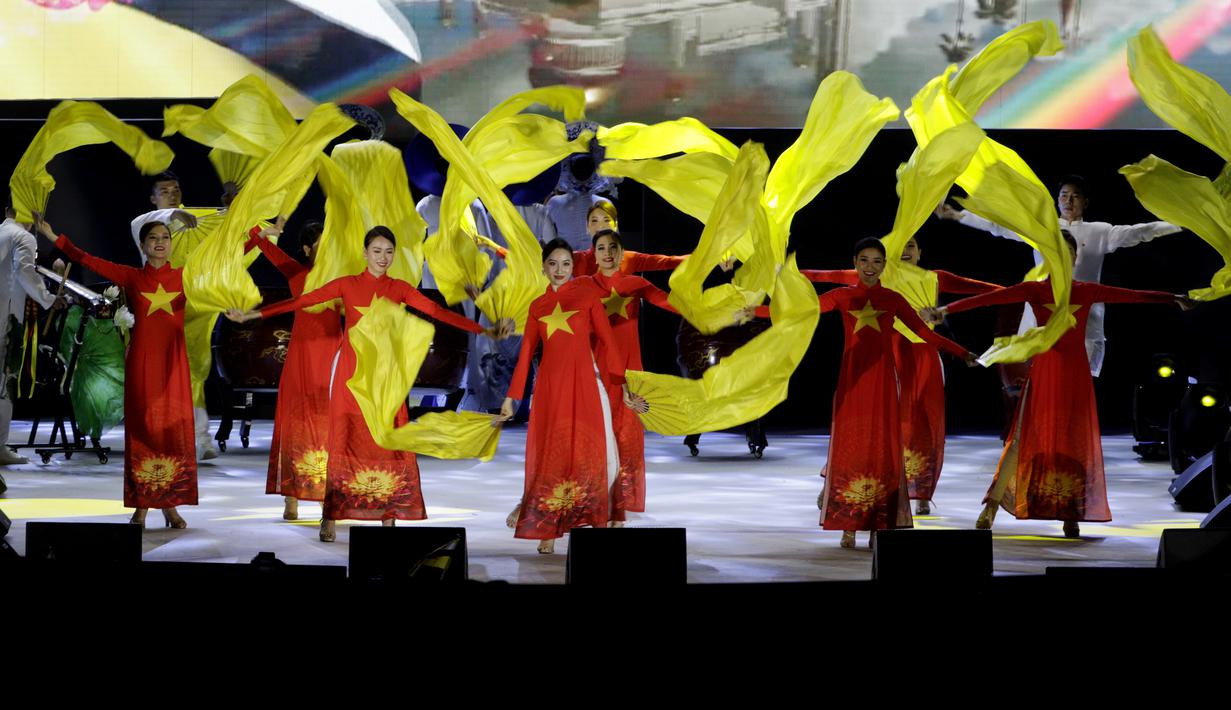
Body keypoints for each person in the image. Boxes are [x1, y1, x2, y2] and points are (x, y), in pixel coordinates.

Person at [228, 226, 511, 542]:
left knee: (386, 444)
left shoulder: (400, 288)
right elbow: (300, 302)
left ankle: (388, 514)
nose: (383, 257)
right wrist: (252, 315)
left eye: (388, 252)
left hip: (383, 377)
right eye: (377, 251)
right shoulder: (347, 285)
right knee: (342, 441)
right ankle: (330, 517)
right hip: (349, 374)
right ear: (365, 254)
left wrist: (483, 330)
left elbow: (437, 312)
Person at [925, 230, 1192, 537]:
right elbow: (989, 299)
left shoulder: (1085, 290)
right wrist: (946, 310)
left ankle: (1070, 511)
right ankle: (992, 505)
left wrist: (1172, 298)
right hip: (1043, 374)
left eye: (1068, 253)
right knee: (1021, 441)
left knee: (1072, 444)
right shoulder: (1034, 290)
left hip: (1075, 377)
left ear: (1075, 258)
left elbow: (1130, 295)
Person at [797, 236, 999, 515]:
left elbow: (977, 289)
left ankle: (921, 491)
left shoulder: (934, 277)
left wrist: (1022, 290)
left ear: (920, 251)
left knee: (925, 426)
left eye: (912, 245)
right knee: (877, 427)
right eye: (900, 246)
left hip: (925, 356)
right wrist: (786, 274)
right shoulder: (877, 274)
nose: (906, 251)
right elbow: (823, 276)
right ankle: (837, 484)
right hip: (889, 356)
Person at [37, 216, 195, 529]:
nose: (160, 242)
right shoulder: (132, 276)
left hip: (174, 364)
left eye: (165, 237)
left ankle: (170, 505)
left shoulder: (185, 276)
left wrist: (255, 235)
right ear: (143, 245)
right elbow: (87, 259)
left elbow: (225, 260)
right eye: (153, 238)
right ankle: (141, 505)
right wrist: (55, 237)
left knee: (171, 432)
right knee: (142, 432)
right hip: (142, 363)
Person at [937, 174, 1180, 376]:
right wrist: (958, 216)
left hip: (1082, 311)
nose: (1069, 200)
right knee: (1040, 373)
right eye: (1064, 195)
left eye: (1075, 196)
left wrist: (1181, 223)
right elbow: (999, 227)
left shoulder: (1100, 231)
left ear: (1085, 201)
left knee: (1080, 373)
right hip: (1044, 308)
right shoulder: (1042, 228)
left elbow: (1141, 232)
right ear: (1057, 200)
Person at [495, 238, 646, 554]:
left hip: (588, 387)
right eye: (553, 264)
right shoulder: (538, 306)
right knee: (554, 459)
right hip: (551, 392)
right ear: (544, 268)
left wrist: (625, 387)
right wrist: (512, 397)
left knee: (596, 457)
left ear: (573, 267)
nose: (559, 270)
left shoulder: (588, 297)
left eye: (565, 264)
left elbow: (609, 343)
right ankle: (548, 529)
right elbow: (524, 358)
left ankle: (595, 522)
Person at [567, 228, 681, 525]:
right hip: (593, 371)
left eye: (612, 247)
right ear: (593, 253)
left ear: (621, 252)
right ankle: (585, 507)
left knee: (624, 439)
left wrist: (714, 309)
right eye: (601, 248)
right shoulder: (583, 286)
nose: (607, 253)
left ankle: (617, 510)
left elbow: (672, 303)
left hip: (628, 373)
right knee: (593, 440)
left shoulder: (635, 284)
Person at [247, 221, 341, 521]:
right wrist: (263, 228)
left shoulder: (342, 278)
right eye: (320, 244)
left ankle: (328, 494)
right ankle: (291, 497)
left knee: (330, 427)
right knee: (296, 426)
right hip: (301, 360)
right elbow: (260, 243)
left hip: (333, 358)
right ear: (306, 249)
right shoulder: (297, 273)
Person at [0, 207, 61, 465]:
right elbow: (25, 272)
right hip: (6, 320)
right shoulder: (23, 237)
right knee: (5, 382)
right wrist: (49, 299)